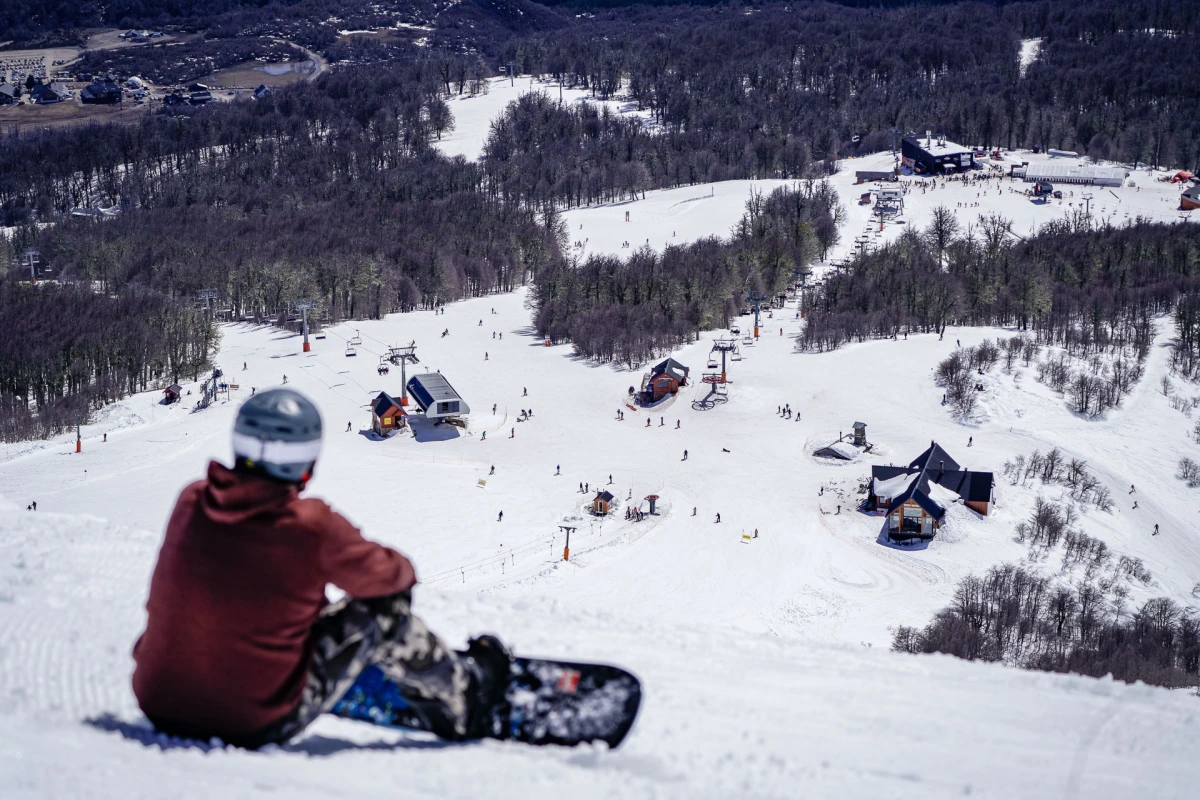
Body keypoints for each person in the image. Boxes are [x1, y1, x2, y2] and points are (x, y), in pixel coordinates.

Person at [130, 389, 512, 749]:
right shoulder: (309, 525)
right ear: (307, 463)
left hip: (158, 700)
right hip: (251, 720)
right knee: (383, 611)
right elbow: (396, 574)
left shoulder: (192, 498)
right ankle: (465, 699)